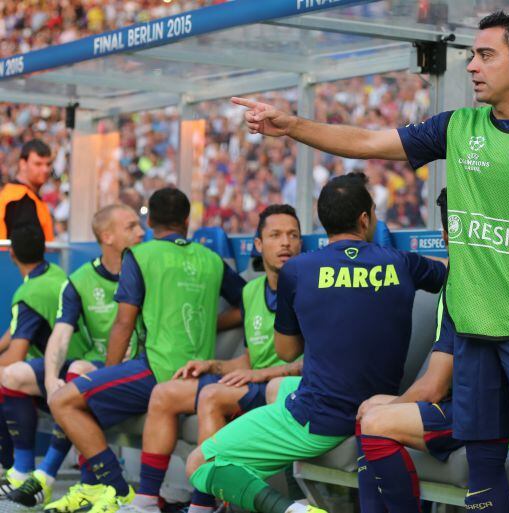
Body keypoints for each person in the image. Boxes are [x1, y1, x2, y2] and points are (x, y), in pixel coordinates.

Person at [232, 11, 509, 512]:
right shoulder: (457, 127)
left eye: (485, 55)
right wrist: (292, 126)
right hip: (471, 333)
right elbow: (366, 142)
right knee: (483, 473)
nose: (472, 66)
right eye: (471, 55)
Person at [185, 173, 446, 513]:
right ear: (365, 219)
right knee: (277, 386)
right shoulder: (403, 262)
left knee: (198, 463)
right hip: (375, 402)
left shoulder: (298, 270)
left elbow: (287, 351)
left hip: (318, 417)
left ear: (323, 221)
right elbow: (453, 270)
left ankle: (292, 510)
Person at [49, 188, 246, 513]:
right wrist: (209, 323)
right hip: (198, 377)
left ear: (151, 221)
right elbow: (246, 304)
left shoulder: (140, 255)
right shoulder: (211, 259)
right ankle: (138, 498)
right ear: (187, 221)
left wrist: (109, 370)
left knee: (62, 401)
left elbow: (123, 324)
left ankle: (115, 487)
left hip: (155, 369)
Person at [118, 205, 304, 513]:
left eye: (293, 235)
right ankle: (147, 500)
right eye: (276, 235)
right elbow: (248, 358)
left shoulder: (308, 289)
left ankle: (202, 505)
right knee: (165, 393)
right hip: (252, 383)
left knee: (212, 395)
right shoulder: (251, 291)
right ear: (258, 244)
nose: (285, 242)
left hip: (285, 387)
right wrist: (212, 365)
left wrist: (261, 374)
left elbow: (313, 363)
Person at [1, 205, 145, 509]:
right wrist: (51, 377)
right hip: (90, 364)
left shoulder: (150, 269)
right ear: (106, 236)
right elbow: (61, 334)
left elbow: (15, 346)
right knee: (12, 375)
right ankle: (23, 470)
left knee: (77, 372)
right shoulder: (75, 279)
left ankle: (46, 476)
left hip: (129, 369)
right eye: (131, 226)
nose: (141, 232)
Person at [355, 188, 462, 512]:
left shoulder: (465, 288)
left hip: (482, 413)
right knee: (370, 407)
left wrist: (386, 411)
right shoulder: (459, 279)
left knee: (373, 420)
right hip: (464, 403)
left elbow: (433, 387)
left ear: (444, 235)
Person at [0, 225, 90, 496]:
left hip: (67, 368)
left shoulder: (29, 294)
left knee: (7, 377)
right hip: (81, 363)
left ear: (11, 254)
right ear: (46, 251)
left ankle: (16, 469)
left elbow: (14, 356)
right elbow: (14, 333)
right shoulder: (56, 275)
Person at [0, 139, 55, 241]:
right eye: (38, 164)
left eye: (48, 164)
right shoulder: (19, 199)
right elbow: (26, 249)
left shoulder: (26, 195)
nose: (45, 170)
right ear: (23, 164)